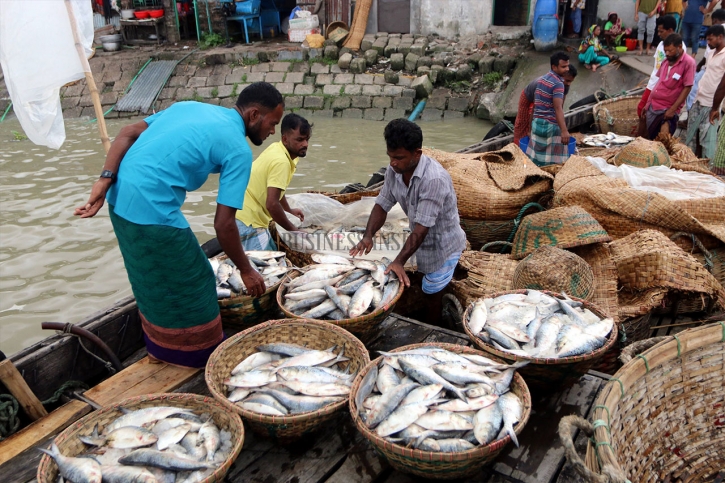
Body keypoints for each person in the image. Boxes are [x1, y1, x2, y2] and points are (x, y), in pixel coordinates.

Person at [74, 82, 284, 368]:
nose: (273, 132)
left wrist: (105, 178)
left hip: (118, 198)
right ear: (254, 115)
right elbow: (223, 225)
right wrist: (246, 270)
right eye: (273, 124)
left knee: (147, 275)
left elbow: (127, 133)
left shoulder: (190, 107)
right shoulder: (239, 150)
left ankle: (160, 349)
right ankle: (198, 357)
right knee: (196, 279)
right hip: (150, 207)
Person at [349, 119, 466, 325]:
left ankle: (434, 329)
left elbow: (422, 230)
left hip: (442, 244)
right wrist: (368, 236)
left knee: (432, 293)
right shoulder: (394, 171)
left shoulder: (433, 180)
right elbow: (382, 205)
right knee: (421, 283)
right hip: (420, 240)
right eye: (390, 157)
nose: (393, 163)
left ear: (417, 154)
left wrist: (399, 261)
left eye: (399, 158)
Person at [235, 113, 311, 250]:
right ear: (285, 139)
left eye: (307, 139)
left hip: (245, 213)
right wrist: (294, 230)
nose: (305, 144)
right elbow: (271, 204)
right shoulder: (281, 162)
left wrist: (289, 210)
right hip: (249, 221)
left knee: (273, 253)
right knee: (272, 266)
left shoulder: (281, 150)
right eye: (299, 140)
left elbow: (276, 190)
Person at [641, 34, 696, 139]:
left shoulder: (689, 63)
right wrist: (648, 103)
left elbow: (687, 87)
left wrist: (672, 109)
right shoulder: (666, 61)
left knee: (664, 139)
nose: (667, 54)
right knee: (650, 139)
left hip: (668, 109)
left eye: (670, 51)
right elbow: (658, 83)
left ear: (679, 47)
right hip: (654, 106)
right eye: (665, 51)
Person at [686, 25, 725, 158]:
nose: (708, 43)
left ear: (720, 37)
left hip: (711, 102)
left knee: (707, 138)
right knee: (692, 134)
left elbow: (723, 86)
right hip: (699, 98)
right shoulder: (710, 53)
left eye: (710, 39)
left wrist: (715, 108)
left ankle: (706, 167)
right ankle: (692, 161)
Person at [526, 52, 571, 166]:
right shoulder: (558, 84)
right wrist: (564, 131)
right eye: (563, 67)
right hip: (550, 127)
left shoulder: (542, 79)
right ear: (554, 67)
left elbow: (535, 106)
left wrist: (530, 127)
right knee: (557, 164)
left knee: (535, 162)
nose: (567, 69)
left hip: (537, 124)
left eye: (567, 66)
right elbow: (558, 108)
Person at [513, 66, 578, 145]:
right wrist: (530, 131)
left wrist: (562, 129)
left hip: (544, 100)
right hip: (529, 96)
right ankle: (518, 147)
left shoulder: (565, 86)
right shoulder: (543, 83)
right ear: (561, 76)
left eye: (571, 81)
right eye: (567, 80)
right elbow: (535, 108)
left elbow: (559, 108)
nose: (568, 83)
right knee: (522, 122)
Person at [638, 15, 684, 116]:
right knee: (642, 109)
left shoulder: (679, 47)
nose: (658, 34)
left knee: (656, 114)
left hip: (664, 88)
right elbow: (656, 67)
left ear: (670, 30)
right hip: (653, 84)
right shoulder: (660, 44)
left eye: (661, 31)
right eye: (658, 31)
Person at [686, 8, 724, 109]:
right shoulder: (715, 41)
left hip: (710, 71)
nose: (708, 42)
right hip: (712, 70)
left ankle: (690, 113)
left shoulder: (717, 32)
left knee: (693, 90)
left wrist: (699, 65)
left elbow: (708, 53)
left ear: (715, 20)